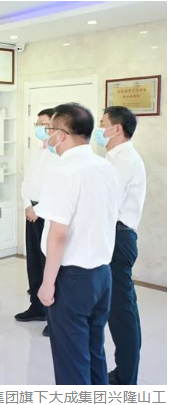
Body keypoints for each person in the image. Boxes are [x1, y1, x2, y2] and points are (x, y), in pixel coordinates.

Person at [35, 103, 119, 385]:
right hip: (102, 276)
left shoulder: (63, 171)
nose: (47, 135)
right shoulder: (105, 167)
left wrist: (47, 283)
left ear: (61, 134)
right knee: (94, 351)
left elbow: (58, 234)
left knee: (72, 361)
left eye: (49, 129)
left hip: (72, 278)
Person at [95, 106, 146, 385]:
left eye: (102, 123)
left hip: (118, 237)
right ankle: (125, 372)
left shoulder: (123, 160)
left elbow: (108, 205)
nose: (98, 129)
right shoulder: (114, 158)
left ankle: (126, 378)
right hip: (115, 235)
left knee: (121, 312)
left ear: (116, 128)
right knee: (122, 309)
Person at [16, 108, 58, 337]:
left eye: (44, 124)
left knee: (49, 264)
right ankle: (37, 307)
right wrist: (27, 206)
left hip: (48, 215)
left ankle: (54, 317)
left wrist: (38, 210)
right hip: (31, 212)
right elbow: (26, 182)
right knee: (33, 261)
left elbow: (56, 189)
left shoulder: (59, 154)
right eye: (38, 123)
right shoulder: (36, 152)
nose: (40, 128)